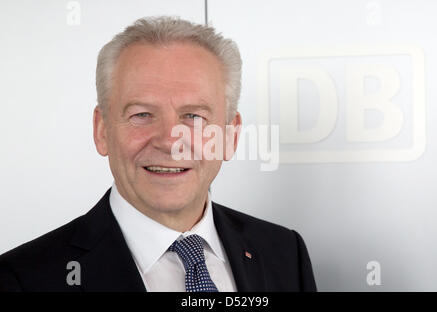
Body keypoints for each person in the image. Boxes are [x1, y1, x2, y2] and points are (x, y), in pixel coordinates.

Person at [0, 16, 316, 292]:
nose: (169, 140)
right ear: (102, 130)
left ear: (230, 135)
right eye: (141, 114)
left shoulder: (284, 254)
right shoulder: (21, 279)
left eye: (194, 117)